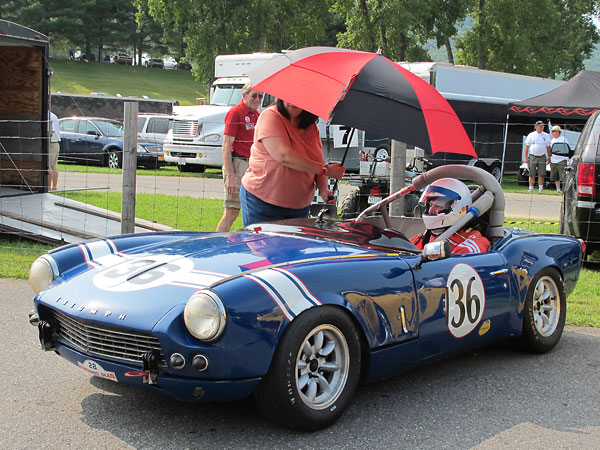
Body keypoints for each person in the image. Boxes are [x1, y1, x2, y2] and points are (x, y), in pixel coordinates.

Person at [240, 99, 345, 226]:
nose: (292, 103)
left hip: (299, 206)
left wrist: (323, 189)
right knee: (263, 246)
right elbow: (284, 156)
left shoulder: (310, 126)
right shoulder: (270, 116)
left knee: (294, 246)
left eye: (299, 99)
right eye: (287, 98)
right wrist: (325, 170)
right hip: (262, 202)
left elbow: (317, 159)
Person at [216, 82, 262, 232]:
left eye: (260, 96)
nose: (257, 99)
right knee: (232, 210)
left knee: (254, 208)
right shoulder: (235, 112)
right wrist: (230, 175)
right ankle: (218, 242)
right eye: (254, 95)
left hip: (253, 165)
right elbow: (226, 145)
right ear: (244, 95)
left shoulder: (257, 115)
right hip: (237, 163)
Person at [410, 178, 490, 254]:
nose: (431, 210)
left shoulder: (471, 241)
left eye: (438, 206)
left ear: (458, 208)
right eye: (430, 205)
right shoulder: (423, 238)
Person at [524, 120, 551, 193]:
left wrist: (549, 157)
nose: (542, 128)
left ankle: (540, 188)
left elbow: (548, 147)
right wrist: (526, 158)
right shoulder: (531, 135)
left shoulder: (546, 135)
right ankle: (531, 187)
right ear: (536, 127)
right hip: (532, 155)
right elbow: (526, 146)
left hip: (542, 156)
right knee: (531, 173)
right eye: (540, 126)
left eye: (542, 126)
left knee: (541, 173)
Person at [550, 125, 568, 193]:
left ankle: (564, 190)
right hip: (553, 160)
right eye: (552, 131)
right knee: (555, 176)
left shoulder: (563, 139)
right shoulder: (552, 140)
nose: (552, 133)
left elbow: (566, 148)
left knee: (563, 176)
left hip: (562, 160)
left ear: (558, 132)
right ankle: (558, 189)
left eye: (553, 131)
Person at [48, 111, 61, 191]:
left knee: (48, 165)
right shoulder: (54, 115)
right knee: (53, 166)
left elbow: (51, 131)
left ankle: (48, 187)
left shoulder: (47, 116)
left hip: (50, 144)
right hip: (56, 144)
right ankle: (54, 187)